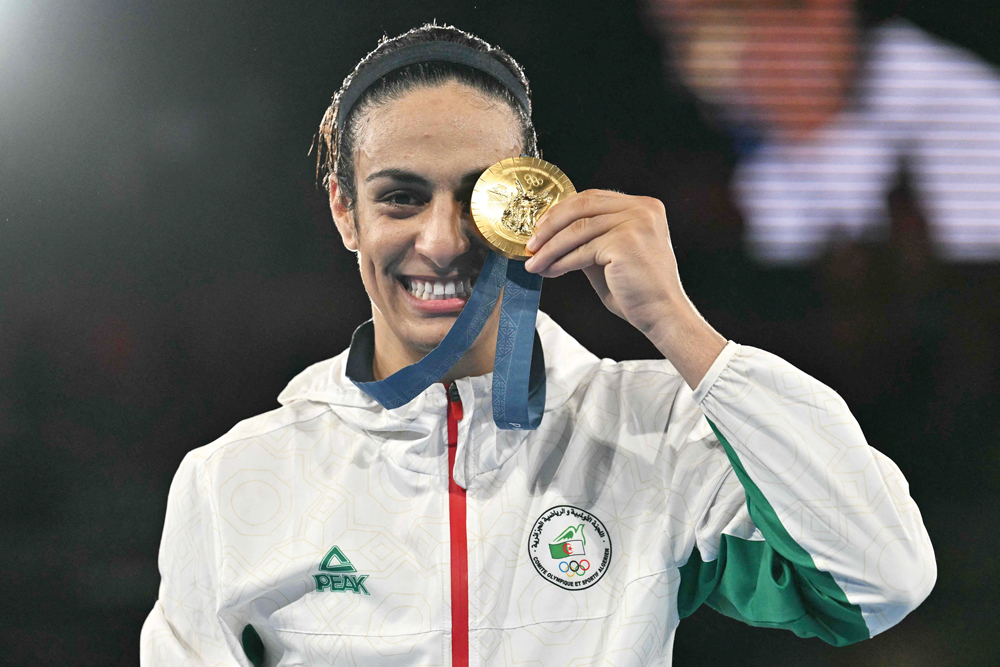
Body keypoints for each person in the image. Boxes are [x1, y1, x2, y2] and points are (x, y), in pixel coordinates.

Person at [140, 23, 935, 667]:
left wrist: (679, 327)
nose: (443, 241)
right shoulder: (233, 481)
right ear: (346, 211)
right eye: (401, 197)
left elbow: (879, 579)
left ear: (524, 204)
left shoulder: (654, 431)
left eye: (474, 196)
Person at [645, 0, 1000, 264]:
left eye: (727, 28)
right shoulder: (766, 174)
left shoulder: (966, 119)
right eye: (686, 43)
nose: (715, 75)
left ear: (824, 13)